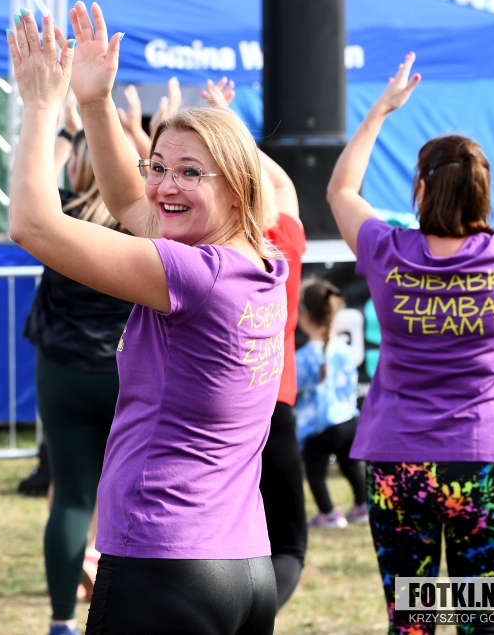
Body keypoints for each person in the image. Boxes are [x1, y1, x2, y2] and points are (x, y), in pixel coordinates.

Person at [5, 1, 284, 634]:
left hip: (164, 563)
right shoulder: (262, 264)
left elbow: (32, 225)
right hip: (244, 568)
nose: (164, 186)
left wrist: (42, 105)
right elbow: (130, 202)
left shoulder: (193, 274)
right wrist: (95, 103)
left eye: (189, 172)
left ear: (237, 186)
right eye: (158, 166)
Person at [327, 53, 494, 634]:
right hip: (485, 461)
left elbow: (341, 189)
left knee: (413, 624)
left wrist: (379, 111)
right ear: (483, 194)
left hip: (398, 461)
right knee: (484, 624)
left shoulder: (385, 250)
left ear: (421, 189)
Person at [202, 75, 309, 610]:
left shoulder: (212, 252)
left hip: (220, 411)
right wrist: (234, 125)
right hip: (275, 402)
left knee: (220, 536)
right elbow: (283, 185)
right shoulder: (285, 240)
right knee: (287, 546)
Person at [23, 128, 134, 635]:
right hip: (123, 374)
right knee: (130, 495)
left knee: (70, 496)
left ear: (76, 166)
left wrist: (67, 133)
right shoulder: (138, 226)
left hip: (62, 371)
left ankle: (62, 619)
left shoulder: (60, 215)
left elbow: (34, 182)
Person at [293, 279, 364, 529]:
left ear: (304, 316)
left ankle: (329, 513)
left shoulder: (302, 358)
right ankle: (362, 506)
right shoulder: (344, 349)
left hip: (319, 428)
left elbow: (293, 389)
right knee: (352, 466)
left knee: (315, 474)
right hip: (349, 421)